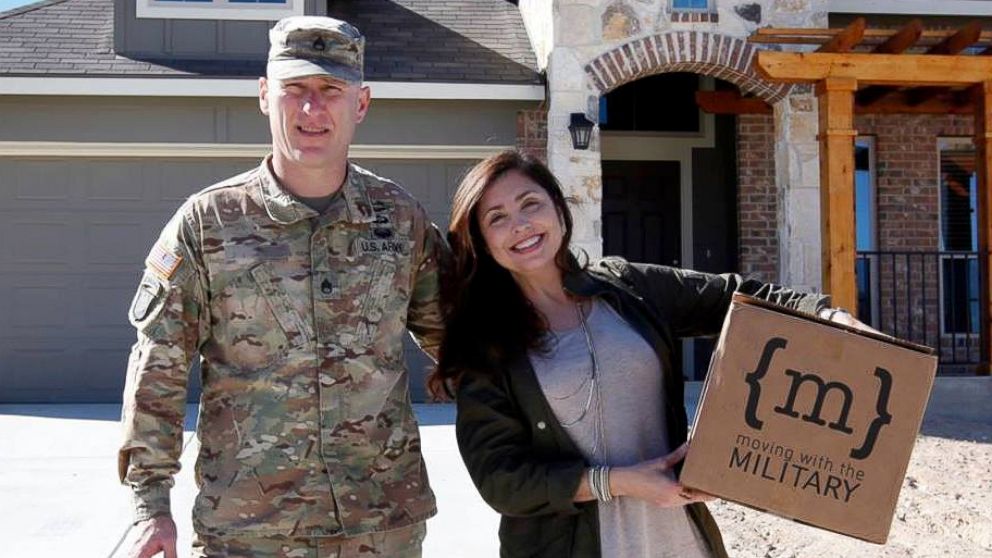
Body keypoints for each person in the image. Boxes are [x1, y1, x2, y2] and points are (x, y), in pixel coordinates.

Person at [119, 16, 446, 558]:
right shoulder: (208, 223)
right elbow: (159, 368)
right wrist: (151, 507)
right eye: (295, 90)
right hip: (249, 532)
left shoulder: (399, 219)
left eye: (330, 91)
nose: (312, 109)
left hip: (382, 527)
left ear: (360, 104)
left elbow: (463, 346)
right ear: (266, 96)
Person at [431, 151, 858, 558]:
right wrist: (619, 482)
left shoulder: (626, 288)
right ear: (482, 242)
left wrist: (827, 315)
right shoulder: (485, 344)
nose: (521, 225)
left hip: (676, 536)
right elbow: (501, 480)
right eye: (498, 218)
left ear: (559, 209)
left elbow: (735, 296)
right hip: (566, 546)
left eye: (530, 204)